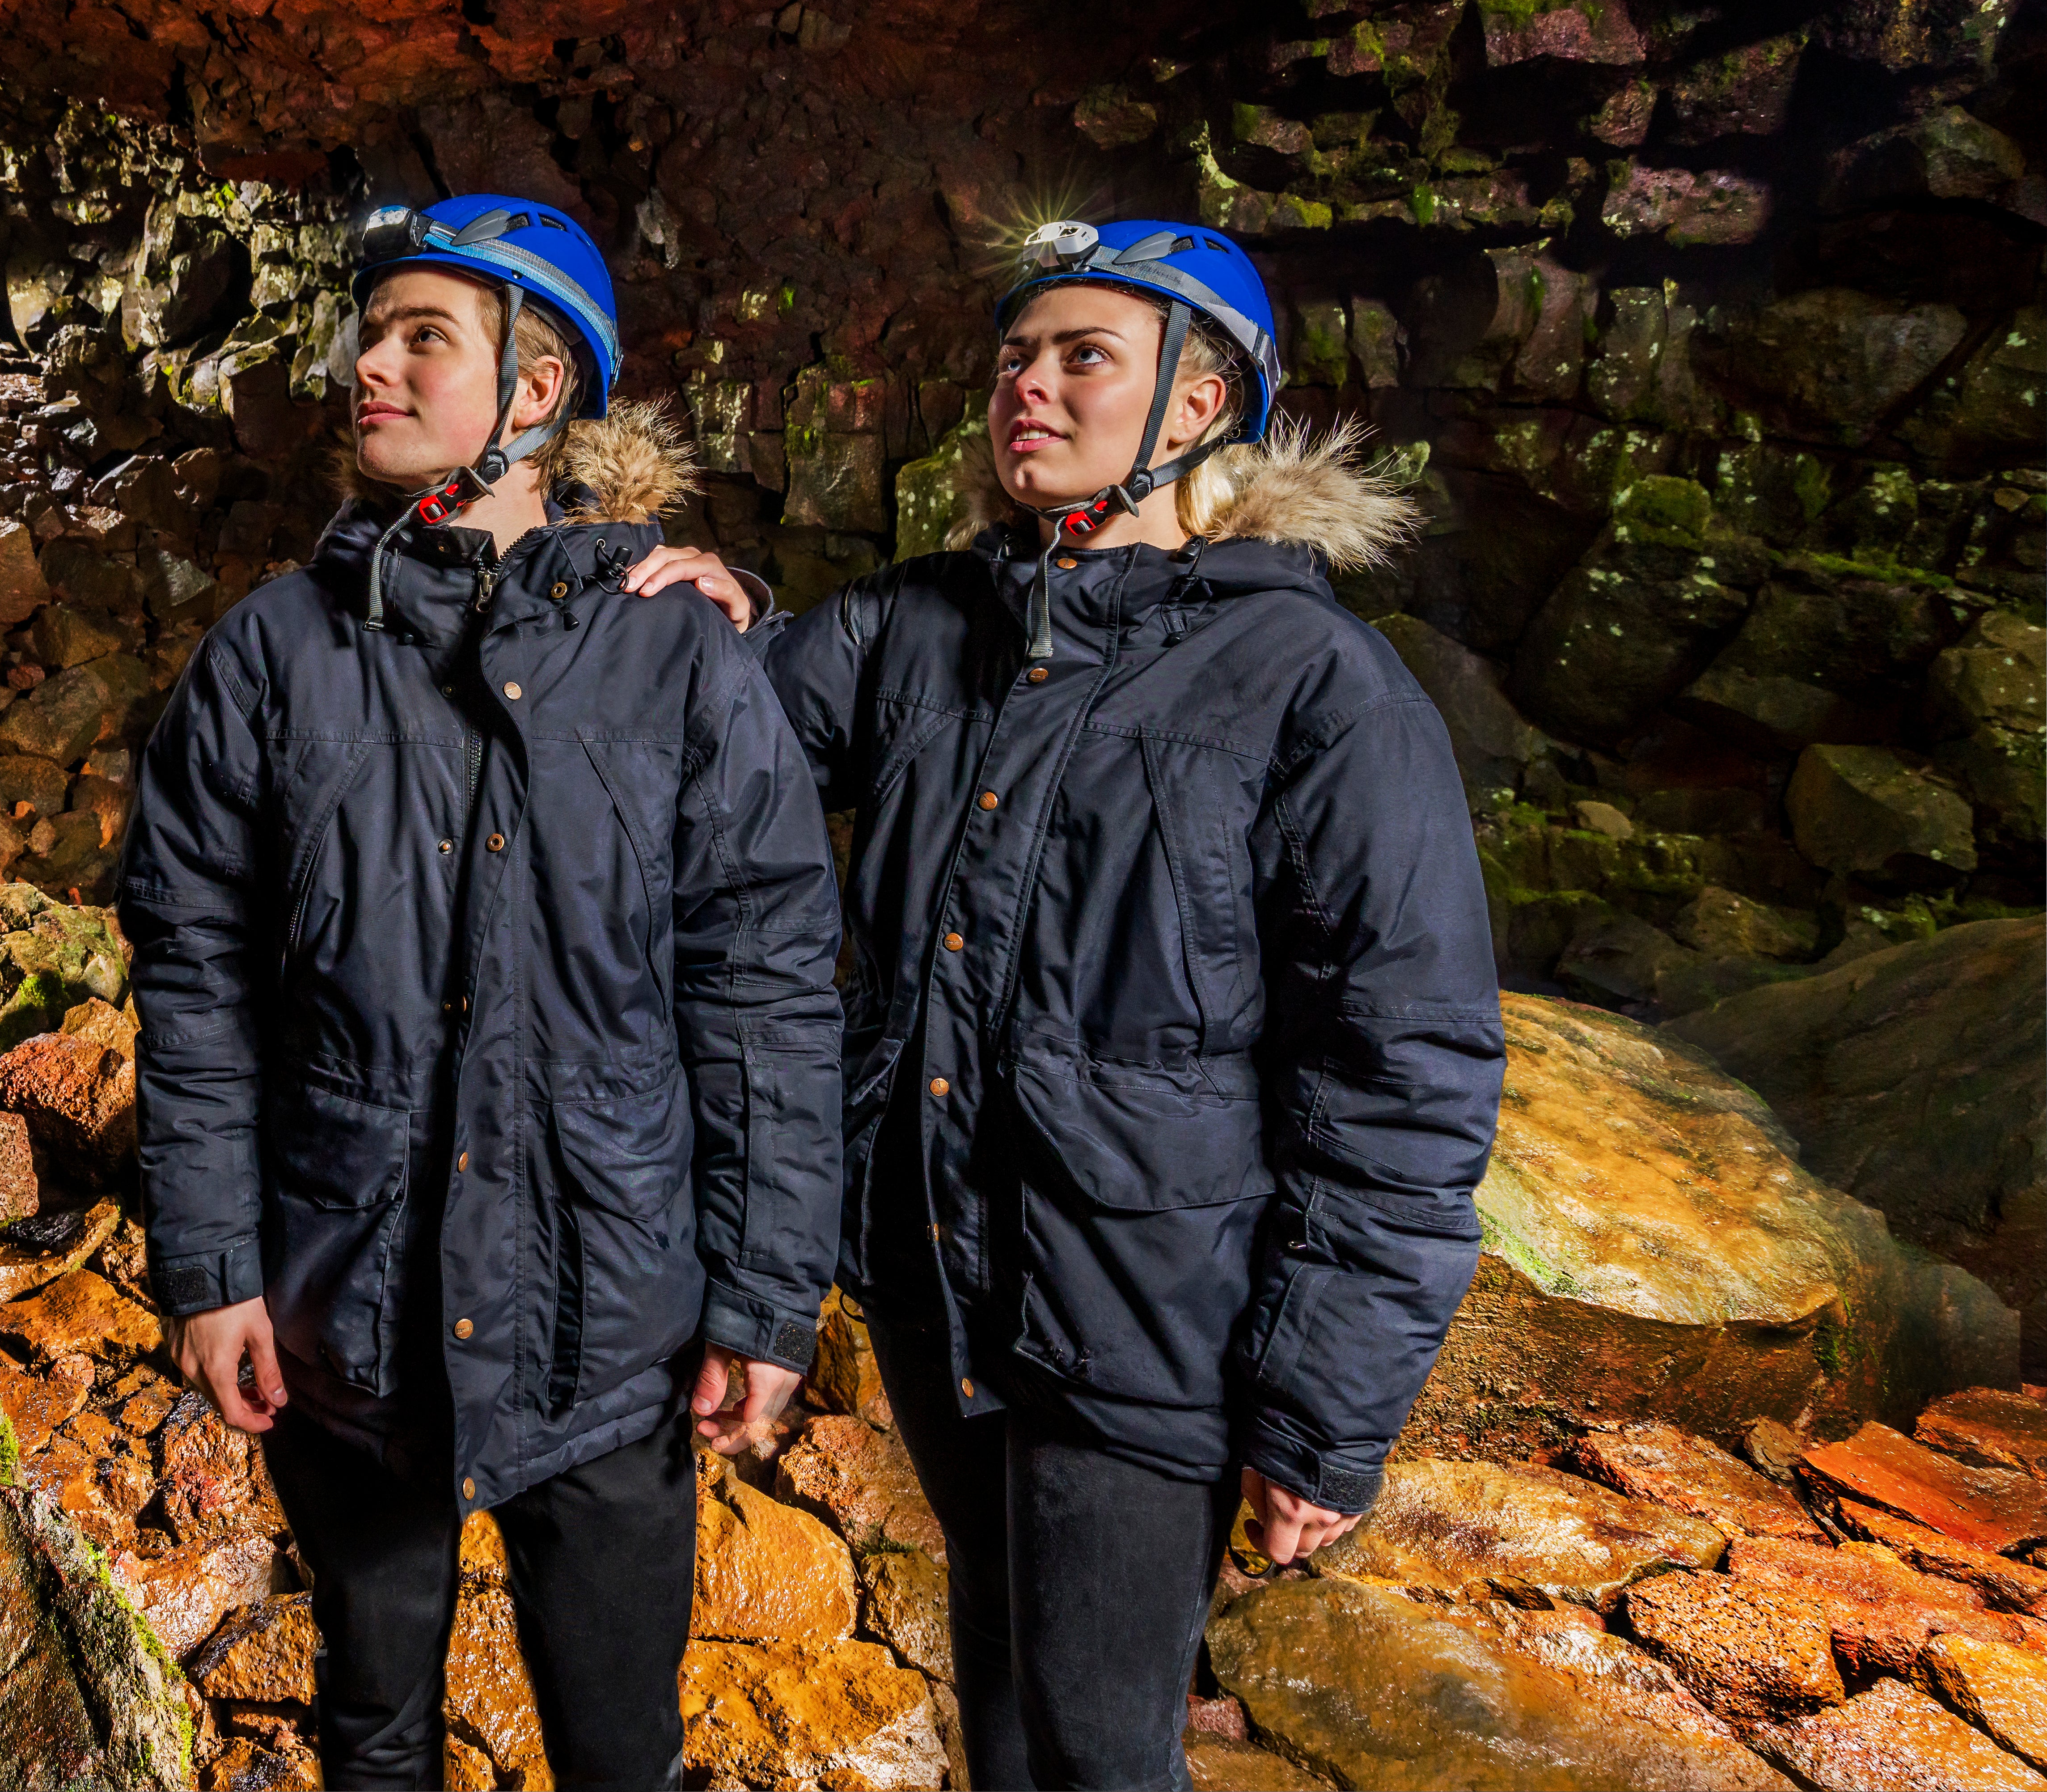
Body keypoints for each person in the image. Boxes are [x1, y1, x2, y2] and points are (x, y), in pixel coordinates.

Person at [626, 217, 1505, 1792]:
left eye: (1080, 356)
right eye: (1014, 359)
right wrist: (720, 601)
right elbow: (697, 746)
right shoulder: (925, 624)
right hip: (934, 1264)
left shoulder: (1312, 684)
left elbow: (1403, 1074)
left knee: (1103, 1745)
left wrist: (1324, 1405)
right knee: (1006, 1691)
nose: (1025, 388)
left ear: (1192, 404)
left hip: (1144, 1305)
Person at [121, 195, 845, 1791]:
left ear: (532, 395)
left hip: (612, 1323)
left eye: (420, 338)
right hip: (348, 1319)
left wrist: (765, 1295)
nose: (367, 365)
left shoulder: (677, 659)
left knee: (615, 1747)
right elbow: (197, 984)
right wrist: (211, 1264)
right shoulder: (270, 655)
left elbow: (767, 994)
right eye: (369, 332)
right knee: (372, 1723)